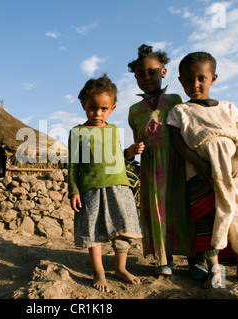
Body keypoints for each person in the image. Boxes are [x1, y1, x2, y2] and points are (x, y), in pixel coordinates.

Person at [167, 51, 238, 288]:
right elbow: (178, 142)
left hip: (232, 170)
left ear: (213, 78)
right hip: (200, 170)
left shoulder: (228, 107)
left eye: (201, 78)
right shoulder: (180, 111)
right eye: (189, 80)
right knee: (207, 217)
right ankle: (215, 269)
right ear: (181, 81)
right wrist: (197, 162)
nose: (195, 85)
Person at [125, 44, 204, 278]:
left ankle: (195, 260)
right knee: (157, 211)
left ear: (164, 72)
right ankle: (164, 258)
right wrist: (135, 149)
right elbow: (137, 139)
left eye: (152, 72)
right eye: (140, 74)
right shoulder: (134, 110)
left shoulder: (176, 100)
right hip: (152, 168)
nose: (146, 77)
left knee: (185, 209)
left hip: (178, 162)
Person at [68, 74, 143, 292]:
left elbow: (116, 158)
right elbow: (73, 165)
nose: (98, 114)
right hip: (90, 188)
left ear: (113, 107)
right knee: (93, 231)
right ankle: (98, 271)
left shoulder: (113, 130)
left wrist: (129, 153)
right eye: (93, 107)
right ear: (83, 104)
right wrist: (73, 191)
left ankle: (120, 268)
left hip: (119, 187)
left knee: (123, 230)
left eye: (104, 109)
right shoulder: (78, 132)